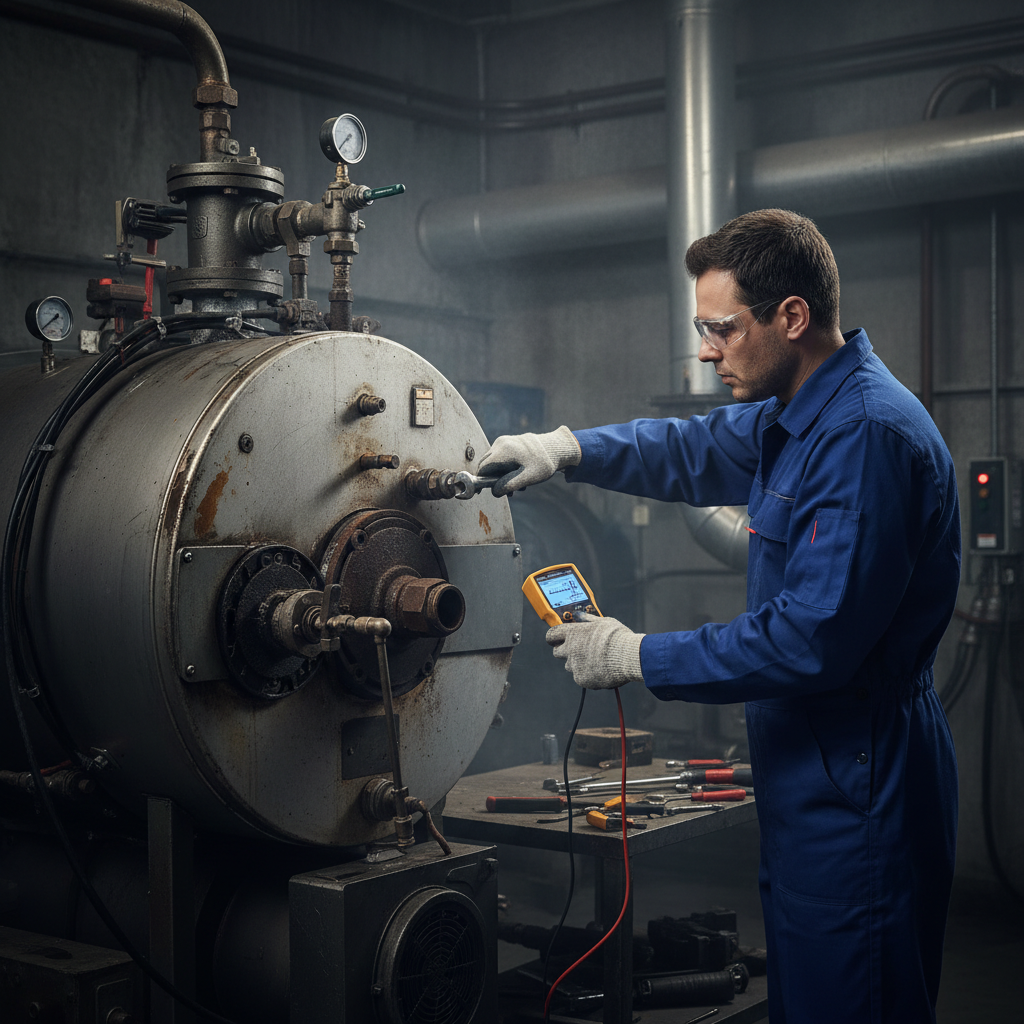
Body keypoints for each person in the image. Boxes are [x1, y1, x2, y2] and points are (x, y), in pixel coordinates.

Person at [478, 209, 960, 1024]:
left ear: (792, 317)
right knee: (810, 994)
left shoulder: (864, 436)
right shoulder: (800, 412)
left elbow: (811, 640)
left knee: (854, 1001)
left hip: (860, 771)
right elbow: (691, 449)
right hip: (814, 763)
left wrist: (637, 656)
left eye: (722, 329)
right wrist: (567, 448)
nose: (707, 350)